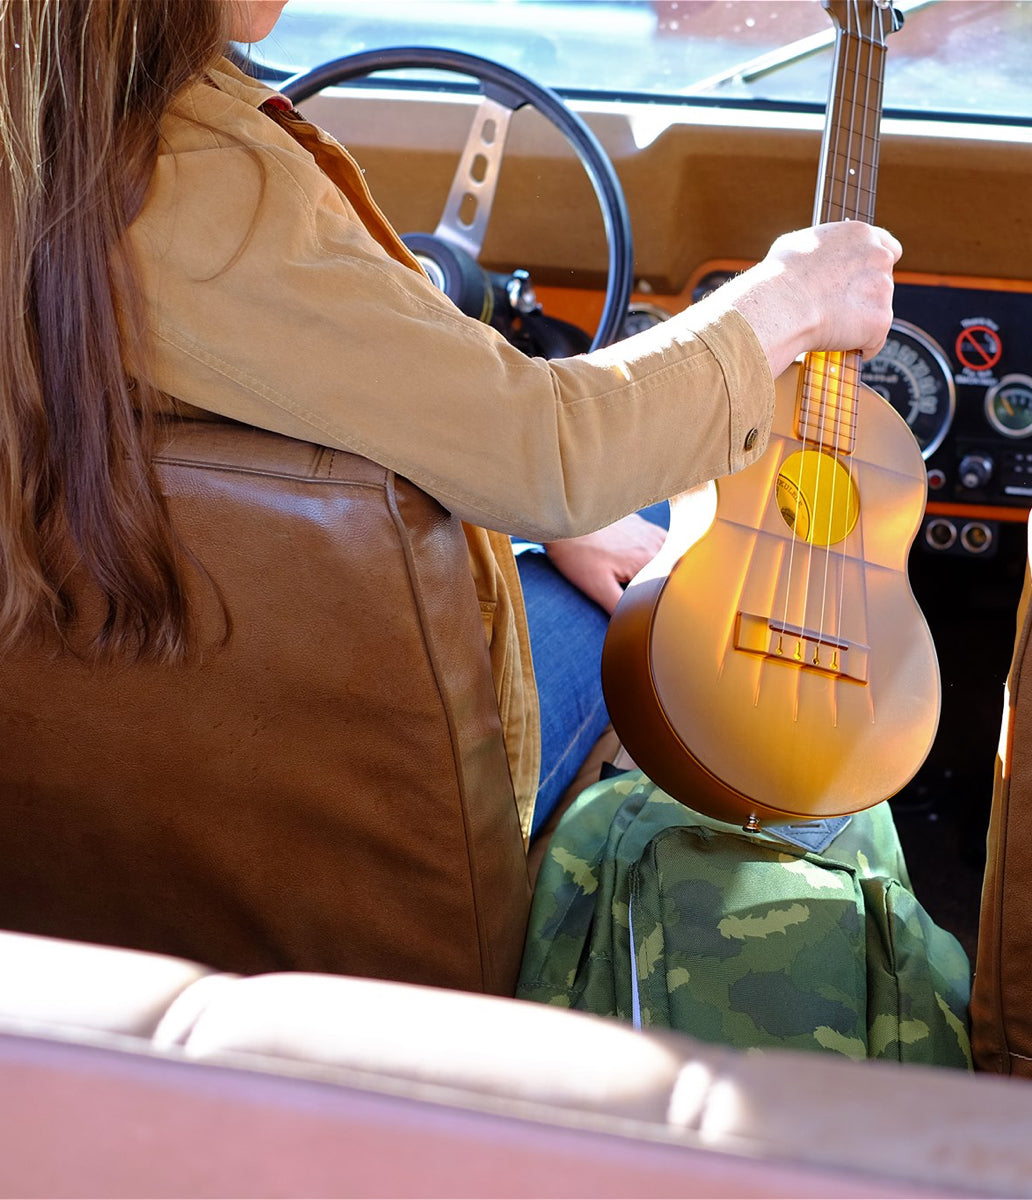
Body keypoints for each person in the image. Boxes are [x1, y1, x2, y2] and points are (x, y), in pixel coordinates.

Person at [0, 0, 901, 846]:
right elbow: (553, 453)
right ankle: (570, 884)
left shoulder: (56, 161)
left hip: (99, 787)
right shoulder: (204, 190)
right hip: (341, 812)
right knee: (684, 548)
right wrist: (792, 300)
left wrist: (539, 510)